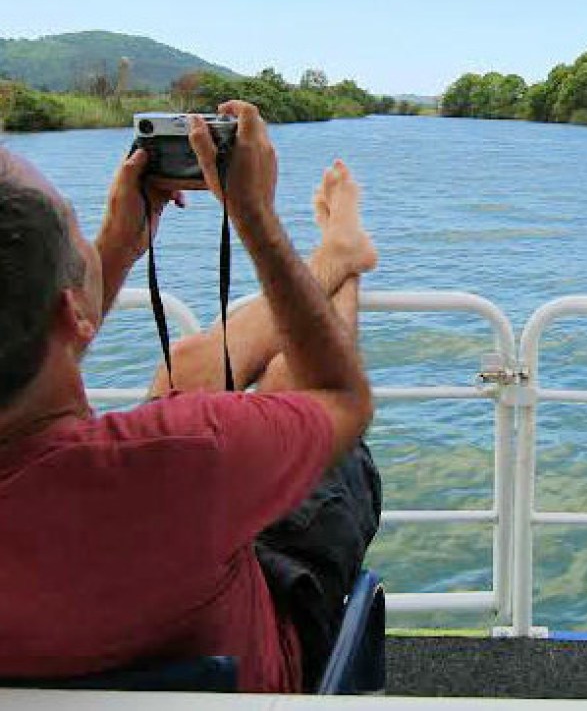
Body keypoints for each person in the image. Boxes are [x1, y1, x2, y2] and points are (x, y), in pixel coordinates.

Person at [0, 100, 381, 693]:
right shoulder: (185, 454)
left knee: (183, 368)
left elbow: (23, 350)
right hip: (267, 651)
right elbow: (342, 395)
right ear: (70, 308)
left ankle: (334, 255)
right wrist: (254, 218)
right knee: (291, 383)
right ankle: (340, 257)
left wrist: (120, 244)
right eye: (73, 226)